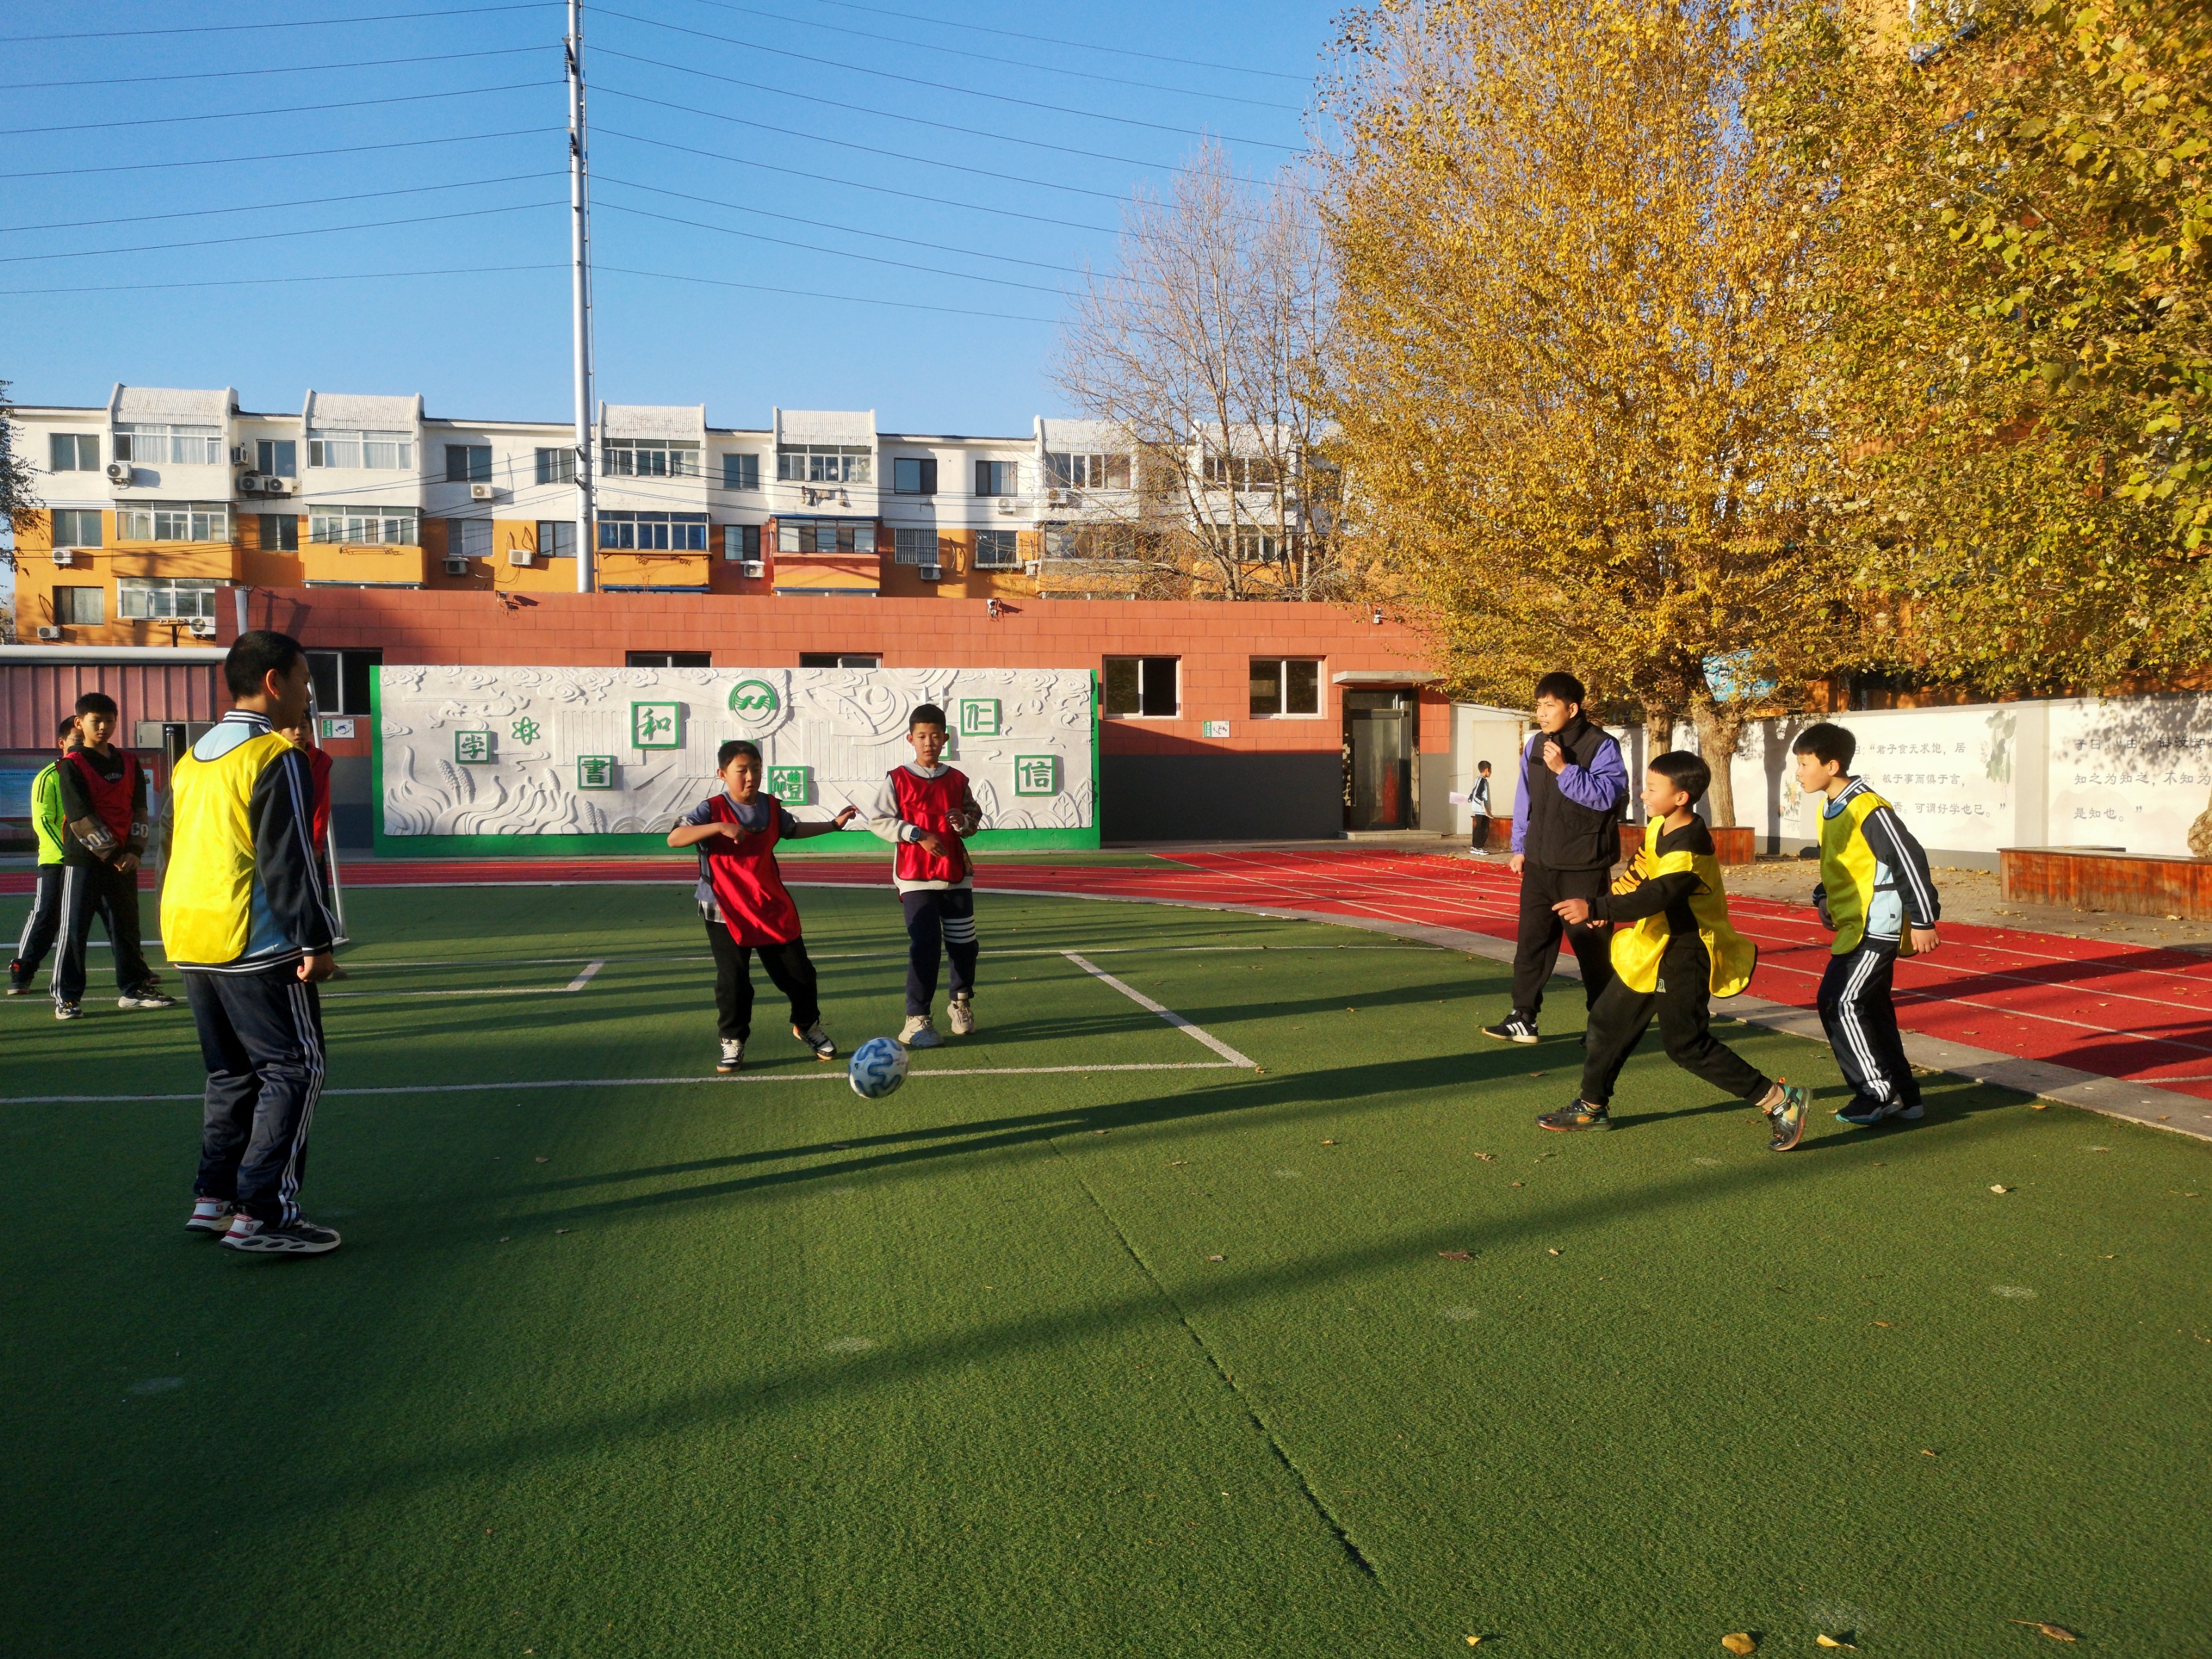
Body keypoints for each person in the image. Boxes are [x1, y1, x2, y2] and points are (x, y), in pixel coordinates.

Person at [166, 631, 345, 1255]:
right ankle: (264, 1212)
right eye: (302, 680)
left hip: (191, 932)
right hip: (253, 938)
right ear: (274, 682)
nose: (306, 694)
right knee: (295, 1069)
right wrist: (316, 941)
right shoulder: (275, 755)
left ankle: (214, 1199)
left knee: (230, 1073)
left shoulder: (194, 756)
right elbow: (289, 858)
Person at [1535, 751, 1812, 1150]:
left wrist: (1595, 907)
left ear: (1680, 797)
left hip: (1686, 952)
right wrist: (1610, 898)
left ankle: (1779, 1100)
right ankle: (1591, 1107)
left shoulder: (1688, 851)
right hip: (1653, 945)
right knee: (1606, 1020)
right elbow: (1640, 870)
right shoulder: (1660, 824)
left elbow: (1657, 895)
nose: (1642, 795)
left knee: (1685, 1044)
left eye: (1651, 789)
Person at [667, 739, 856, 1073]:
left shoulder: (770, 806)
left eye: (756, 769)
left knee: (800, 974)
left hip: (769, 904)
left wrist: (833, 825)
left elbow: (792, 829)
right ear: (723, 774)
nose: (751, 777)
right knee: (734, 982)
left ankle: (807, 1026)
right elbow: (675, 837)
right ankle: (733, 1041)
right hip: (723, 909)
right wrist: (719, 827)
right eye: (742, 771)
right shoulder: (710, 809)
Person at [1791, 721, 1942, 1127]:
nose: (1799, 772)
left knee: (1838, 1001)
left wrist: (1924, 919)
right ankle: (1907, 1097)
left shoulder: (1868, 807)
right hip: (1853, 925)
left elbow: (1907, 859)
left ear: (1832, 765)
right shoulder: (1829, 805)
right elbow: (1838, 862)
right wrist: (1822, 897)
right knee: (1871, 1010)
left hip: (1878, 925)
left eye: (1805, 764)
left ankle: (1874, 1091)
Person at [1482, 672, 1627, 1044]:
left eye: (1550, 706)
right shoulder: (1533, 746)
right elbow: (1524, 799)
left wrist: (1565, 770)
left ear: (1572, 708)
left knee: (1591, 949)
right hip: (1541, 863)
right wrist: (1520, 847)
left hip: (1584, 864)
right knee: (1531, 943)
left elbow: (1607, 797)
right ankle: (1523, 1016)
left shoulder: (1602, 746)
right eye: (1538, 705)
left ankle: (1604, 1022)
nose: (1541, 713)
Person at [867, 702, 983, 1049]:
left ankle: (960, 1003)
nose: (929, 742)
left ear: (946, 738)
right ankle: (916, 1020)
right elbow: (879, 821)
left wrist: (963, 824)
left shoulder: (957, 779)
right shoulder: (897, 779)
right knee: (926, 945)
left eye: (935, 736)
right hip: (916, 877)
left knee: (965, 946)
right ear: (910, 739)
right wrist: (917, 835)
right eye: (922, 736)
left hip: (956, 876)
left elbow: (973, 817)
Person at [51, 691, 173, 1019]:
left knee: (126, 927)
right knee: (74, 929)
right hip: (84, 859)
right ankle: (67, 996)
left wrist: (134, 851)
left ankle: (134, 988)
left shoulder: (130, 762)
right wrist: (115, 853)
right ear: (80, 723)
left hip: (123, 860)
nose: (104, 727)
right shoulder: (71, 764)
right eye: (96, 721)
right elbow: (80, 816)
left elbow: (139, 810)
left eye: (110, 720)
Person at [9, 716, 103, 995]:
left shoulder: (92, 774)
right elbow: (44, 822)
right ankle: (22, 972)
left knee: (114, 915)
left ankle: (136, 973)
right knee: (46, 914)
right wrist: (69, 854)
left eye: (83, 742)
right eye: (75, 741)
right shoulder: (49, 777)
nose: (80, 747)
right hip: (57, 862)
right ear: (62, 743)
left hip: (94, 860)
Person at [1450, 760, 1496, 854]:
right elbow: (1476, 795)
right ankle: (1478, 847)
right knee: (1483, 828)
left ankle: (1476, 847)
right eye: (1490, 770)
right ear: (1487, 770)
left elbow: (1473, 793)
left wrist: (1469, 799)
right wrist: (1482, 805)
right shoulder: (1481, 780)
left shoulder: (1480, 780)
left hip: (1481, 809)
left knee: (1480, 827)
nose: (1491, 772)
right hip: (1481, 810)